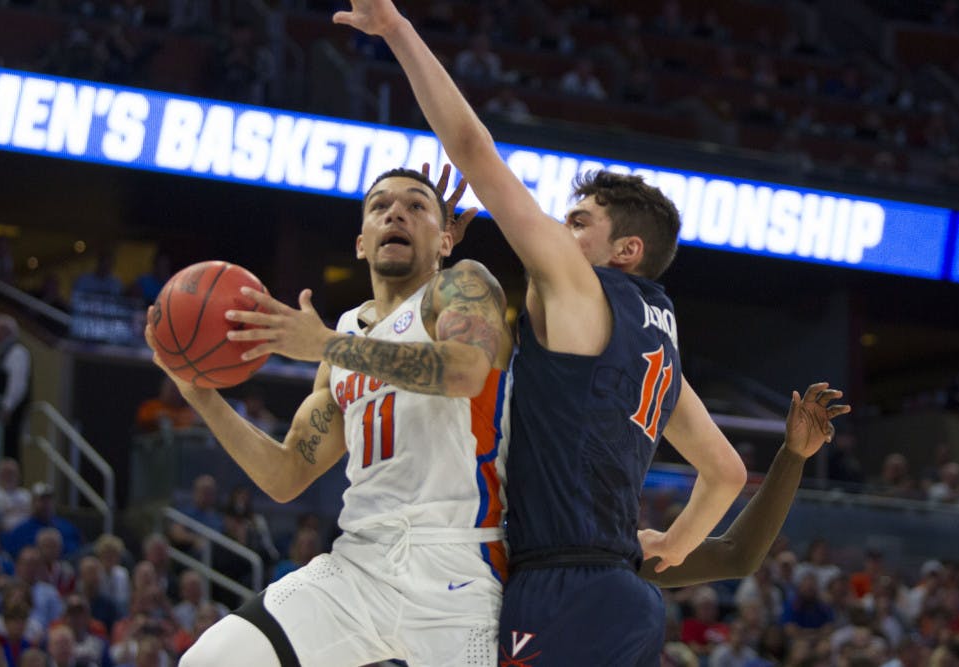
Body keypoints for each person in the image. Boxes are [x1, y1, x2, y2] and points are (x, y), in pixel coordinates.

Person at [333, 5, 857, 665]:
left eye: (578, 221)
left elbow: (473, 151)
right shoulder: (657, 341)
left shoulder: (581, 289)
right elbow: (723, 469)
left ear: (625, 249)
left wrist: (397, 32)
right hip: (623, 596)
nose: (560, 228)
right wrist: (671, 543)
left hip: (560, 582)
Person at [146, 166, 516, 666]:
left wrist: (323, 343)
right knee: (209, 661)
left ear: (446, 238)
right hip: (360, 565)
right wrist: (200, 394)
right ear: (362, 243)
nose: (396, 213)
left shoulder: (460, 287)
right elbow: (285, 475)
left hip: (459, 569)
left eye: (416, 206)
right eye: (380, 206)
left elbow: (466, 372)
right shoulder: (346, 335)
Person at [0, 314, 32, 461]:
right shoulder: (2, 353)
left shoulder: (18, 352)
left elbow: (18, 384)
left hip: (10, 413)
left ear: (6, 331)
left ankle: (12, 482)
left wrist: (7, 408)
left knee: (10, 450)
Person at [0, 458, 33, 532]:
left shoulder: (26, 495)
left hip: (24, 535)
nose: (8, 476)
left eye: (12, 473)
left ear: (19, 475)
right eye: (5, 473)